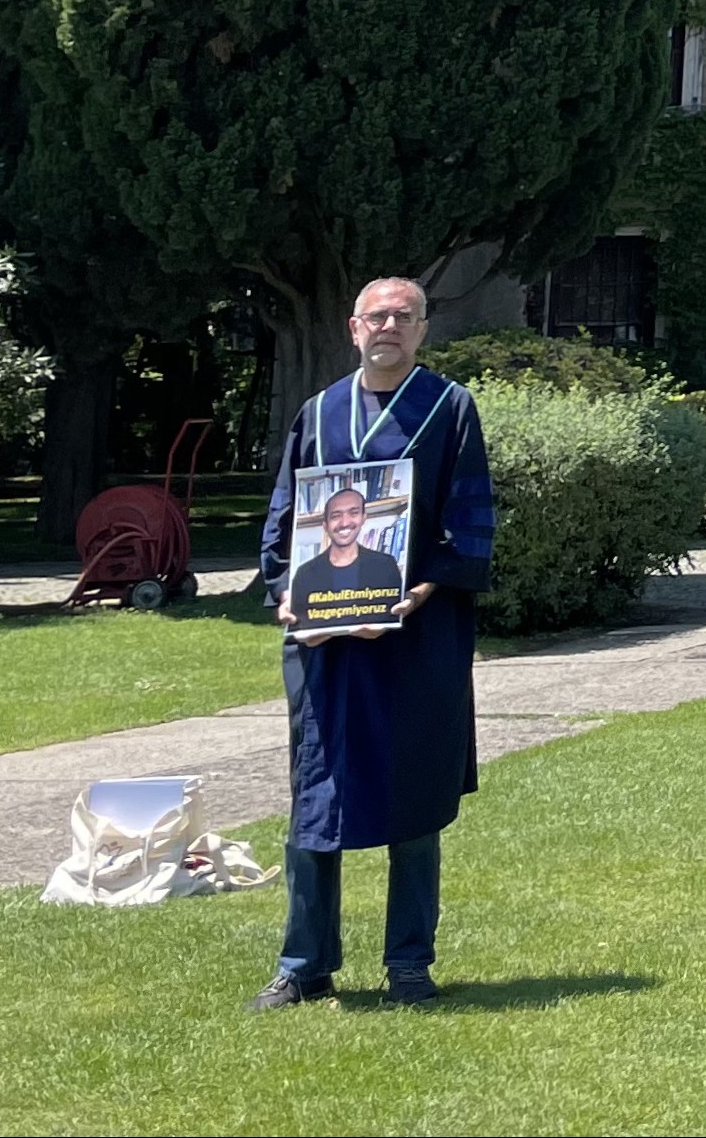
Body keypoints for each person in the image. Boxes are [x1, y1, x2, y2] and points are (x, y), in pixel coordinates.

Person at [252, 278, 495, 1010]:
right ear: (353, 327)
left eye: (404, 316)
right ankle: (304, 963)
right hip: (325, 643)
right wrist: (284, 592)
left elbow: (469, 522)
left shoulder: (449, 409)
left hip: (414, 640)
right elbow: (285, 517)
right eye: (376, 316)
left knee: (413, 798)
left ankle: (409, 964)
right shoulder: (318, 411)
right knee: (315, 802)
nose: (389, 326)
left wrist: (416, 593)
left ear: (423, 328)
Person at [286, 486, 408, 629]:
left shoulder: (386, 565)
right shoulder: (304, 574)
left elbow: (394, 619)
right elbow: (298, 625)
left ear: (364, 518)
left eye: (353, 513)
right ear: (325, 525)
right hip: (322, 649)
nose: (345, 522)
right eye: (336, 516)